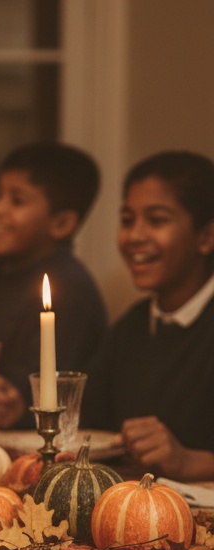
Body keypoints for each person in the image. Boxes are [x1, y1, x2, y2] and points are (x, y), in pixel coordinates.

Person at [82, 151, 214, 480]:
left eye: (156, 220)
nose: (135, 236)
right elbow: (90, 424)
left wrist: (189, 462)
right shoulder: (132, 326)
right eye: (127, 220)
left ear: (206, 237)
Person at [0, 142, 107, 429]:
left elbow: (25, 392)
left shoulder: (69, 288)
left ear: (61, 224)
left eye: (17, 201)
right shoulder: (2, 274)